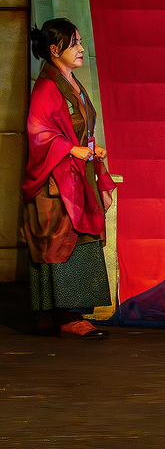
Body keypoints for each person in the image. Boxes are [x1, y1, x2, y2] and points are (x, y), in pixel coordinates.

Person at [22, 19, 117, 339]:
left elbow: (79, 127)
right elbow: (38, 133)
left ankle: (58, 315)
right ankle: (66, 315)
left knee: (78, 240)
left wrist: (90, 147)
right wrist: (70, 148)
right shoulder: (47, 87)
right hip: (57, 180)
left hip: (77, 175)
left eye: (79, 42)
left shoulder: (71, 82)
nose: (81, 48)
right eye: (74, 43)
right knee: (60, 242)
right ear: (54, 50)